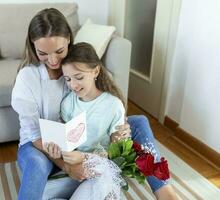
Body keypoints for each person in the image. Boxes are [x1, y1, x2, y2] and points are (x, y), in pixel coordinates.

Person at [11, 7, 177, 200]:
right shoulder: (28, 77)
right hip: (39, 145)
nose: (53, 60)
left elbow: (102, 105)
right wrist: (67, 165)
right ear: (32, 47)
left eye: (59, 51)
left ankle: (164, 190)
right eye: (43, 53)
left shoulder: (77, 66)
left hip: (79, 145)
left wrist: (119, 132)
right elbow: (32, 134)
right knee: (36, 163)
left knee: (138, 122)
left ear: (69, 42)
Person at [44, 42, 128, 200]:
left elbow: (117, 157)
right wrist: (56, 150)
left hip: (100, 169)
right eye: (68, 79)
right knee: (39, 195)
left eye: (79, 77)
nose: (73, 85)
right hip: (75, 168)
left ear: (95, 71)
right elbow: (67, 142)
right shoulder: (68, 104)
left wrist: (84, 157)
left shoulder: (113, 105)